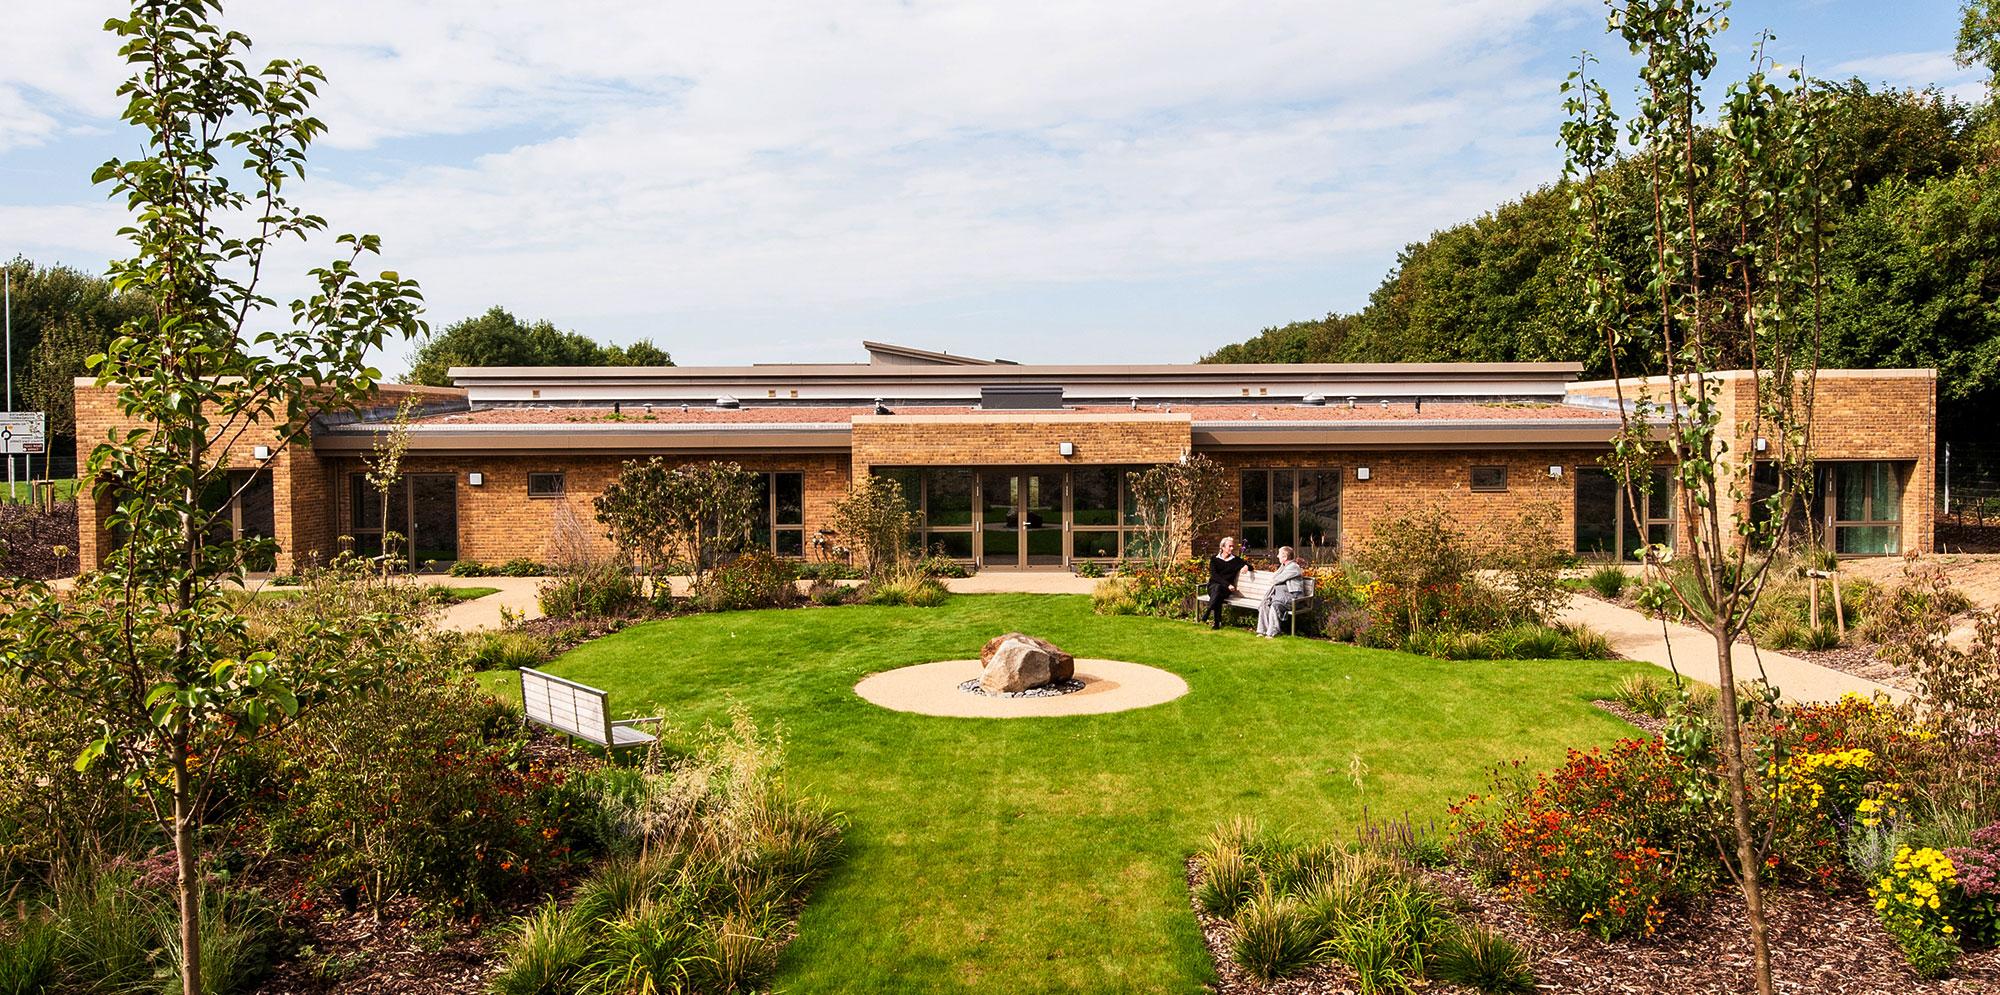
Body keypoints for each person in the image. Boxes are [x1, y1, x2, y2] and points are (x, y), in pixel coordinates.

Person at [1256, 546, 1304, 638]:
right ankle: (1263, 631)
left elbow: (1276, 580)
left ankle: (1272, 632)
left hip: (1293, 598)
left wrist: (1274, 579)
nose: (1277, 556)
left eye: (1279, 554)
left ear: (1285, 557)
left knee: (1275, 605)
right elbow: (1274, 577)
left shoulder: (1293, 567)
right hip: (1282, 596)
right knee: (1265, 604)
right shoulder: (1284, 566)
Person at [1204, 537, 1248, 629]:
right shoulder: (1214, 559)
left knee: (1218, 591)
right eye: (1230, 546)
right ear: (1222, 547)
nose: (1232, 548)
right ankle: (1215, 621)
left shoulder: (1236, 560)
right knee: (1217, 589)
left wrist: (1246, 566)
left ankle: (1209, 611)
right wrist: (1227, 584)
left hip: (1226, 590)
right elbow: (1214, 576)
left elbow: (1249, 566)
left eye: (1233, 546)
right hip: (1214, 587)